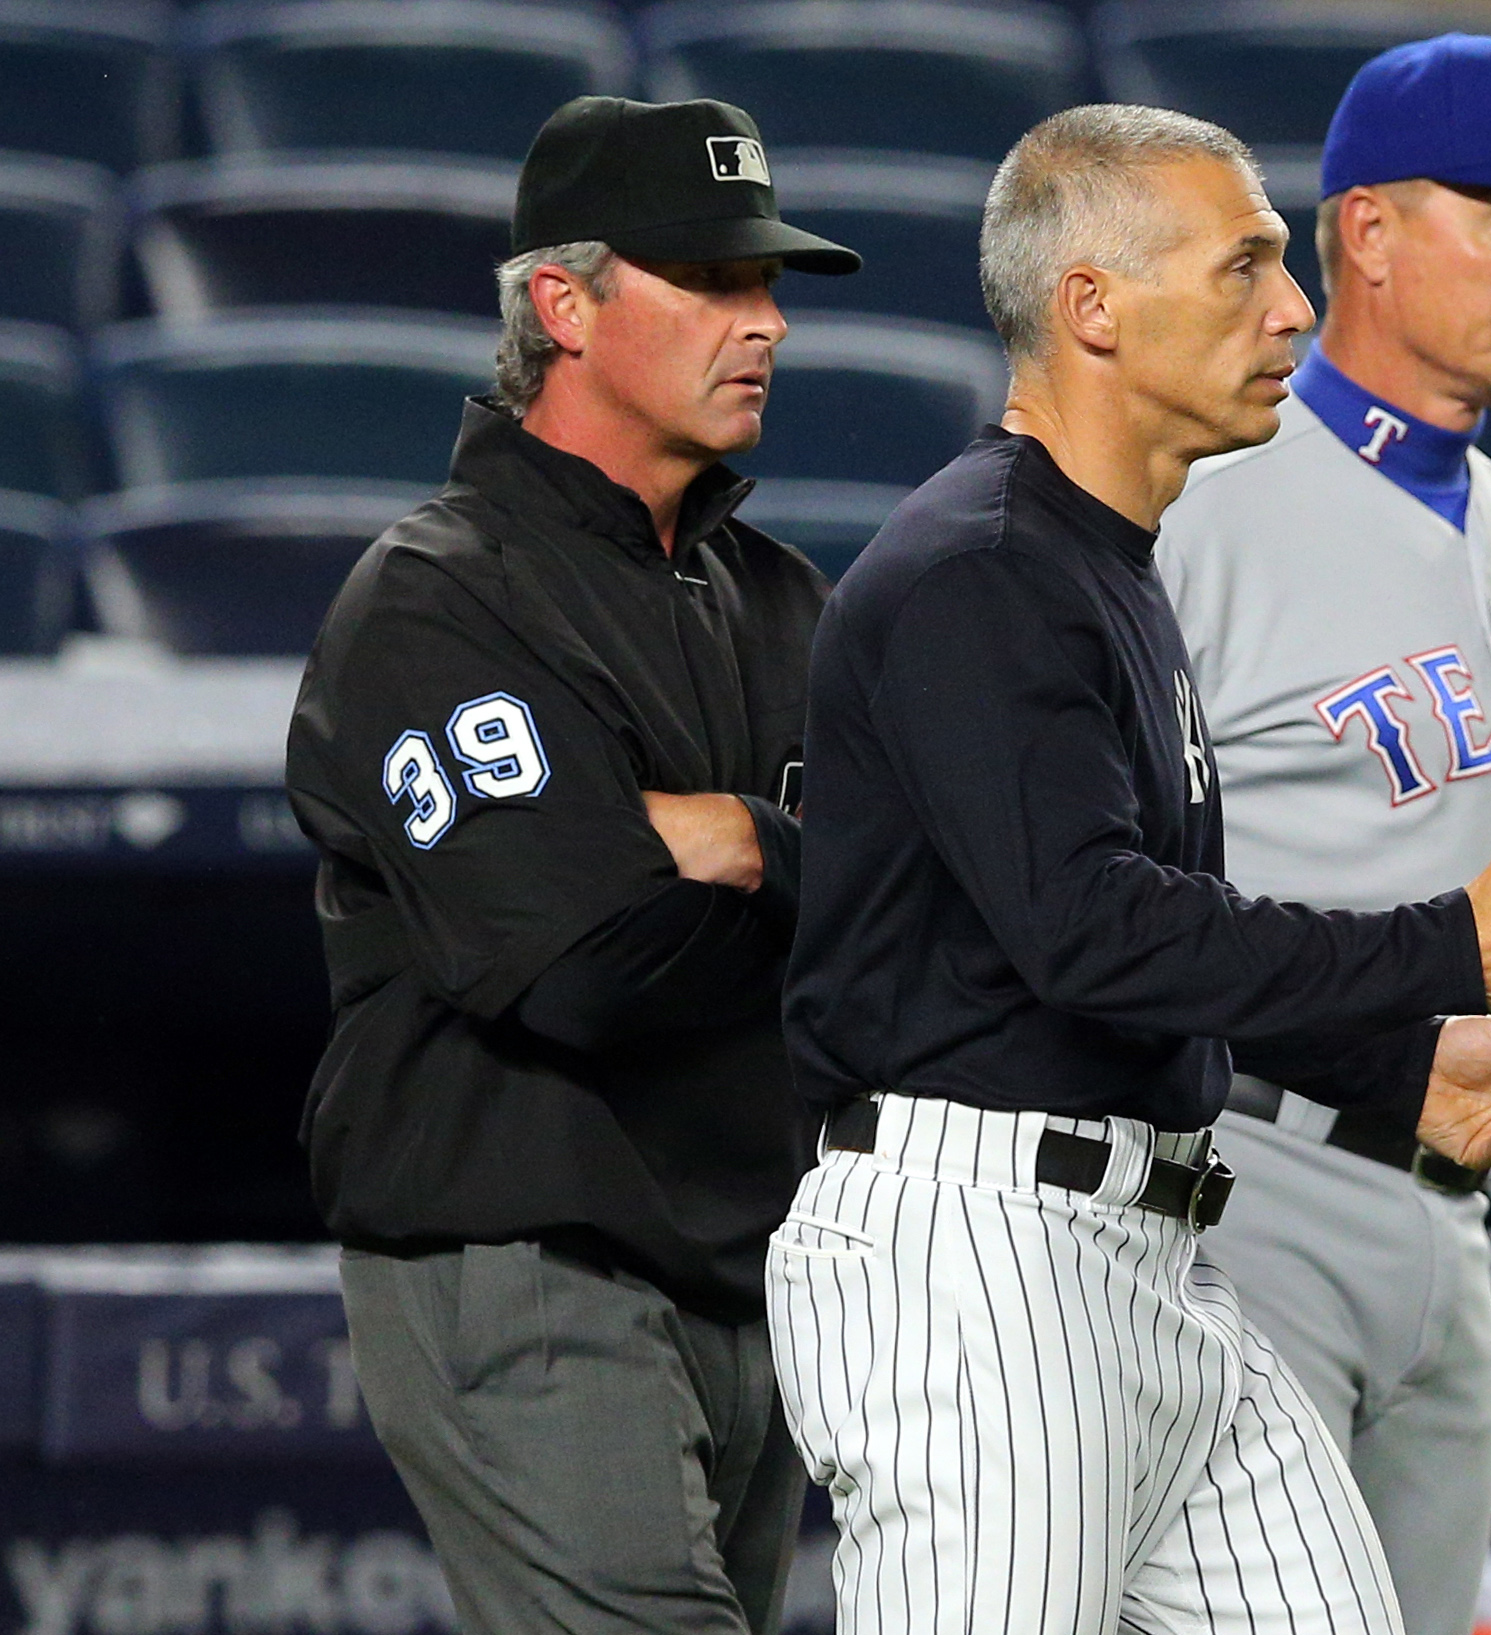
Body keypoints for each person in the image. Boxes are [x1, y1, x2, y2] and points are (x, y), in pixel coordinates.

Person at [769, 104, 1491, 1635]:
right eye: (1246, 267)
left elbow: (1144, 952)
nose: (1294, 309)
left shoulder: (1108, 560)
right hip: (981, 1252)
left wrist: (1398, 1074)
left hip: (1153, 1242)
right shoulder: (982, 567)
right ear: (1094, 308)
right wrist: (1446, 950)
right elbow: (1096, 937)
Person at [285, 96, 859, 1635]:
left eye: (770, 287)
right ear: (565, 303)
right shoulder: (437, 601)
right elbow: (582, 968)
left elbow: (906, 915)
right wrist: (801, 879)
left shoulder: (786, 598)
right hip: (529, 1254)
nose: (769, 325)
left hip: (747, 1270)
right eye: (716, 284)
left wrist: (742, 842)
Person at [1152, 34, 1491, 1635]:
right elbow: (1076, 891)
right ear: (1368, 234)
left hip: (1452, 1231)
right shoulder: (1204, 499)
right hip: (1242, 1194)